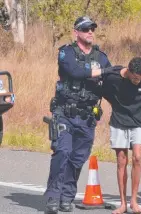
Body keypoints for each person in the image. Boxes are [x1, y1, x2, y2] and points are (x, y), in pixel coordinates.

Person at [43, 16, 113, 214]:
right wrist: (101, 72)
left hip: (87, 116)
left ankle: (67, 197)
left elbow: (109, 79)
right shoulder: (67, 52)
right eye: (85, 29)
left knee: (78, 158)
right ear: (76, 32)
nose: (90, 31)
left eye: (92, 28)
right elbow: (74, 71)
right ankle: (53, 198)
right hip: (65, 112)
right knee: (62, 152)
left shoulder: (101, 57)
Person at [101, 57, 141, 214]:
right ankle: (122, 203)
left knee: (137, 157)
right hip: (118, 122)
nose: (138, 81)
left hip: (139, 123)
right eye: (135, 78)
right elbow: (104, 92)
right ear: (128, 72)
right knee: (121, 161)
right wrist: (117, 106)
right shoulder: (114, 77)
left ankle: (133, 201)